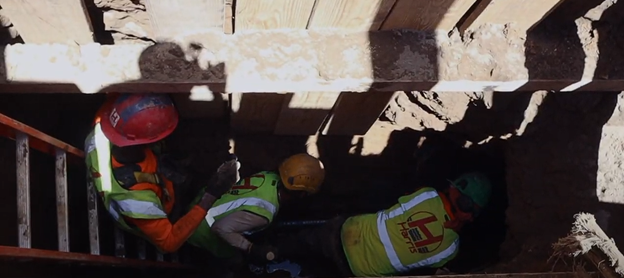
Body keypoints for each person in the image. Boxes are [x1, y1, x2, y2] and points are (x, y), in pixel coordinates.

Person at [84, 93, 240, 254]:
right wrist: (211, 195)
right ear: (150, 141)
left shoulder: (104, 126)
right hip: (161, 214)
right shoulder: (136, 202)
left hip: (155, 174)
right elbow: (168, 243)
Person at [270, 172, 493, 277]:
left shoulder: (428, 196)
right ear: (472, 215)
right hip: (358, 272)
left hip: (345, 233)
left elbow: (402, 200)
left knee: (306, 242)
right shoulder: (450, 249)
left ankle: (271, 250)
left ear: (455, 191)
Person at [185, 153, 325, 263]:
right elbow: (221, 228)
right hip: (197, 231)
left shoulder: (268, 176)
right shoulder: (264, 211)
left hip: (197, 205)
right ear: (302, 194)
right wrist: (250, 248)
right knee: (235, 262)